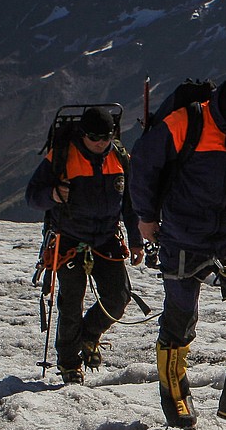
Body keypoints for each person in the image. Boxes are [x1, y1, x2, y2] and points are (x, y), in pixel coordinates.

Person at [130, 72, 226, 430]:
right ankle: (175, 397)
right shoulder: (186, 123)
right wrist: (146, 218)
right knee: (179, 321)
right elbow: (143, 166)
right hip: (183, 237)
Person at [26, 105, 143, 384]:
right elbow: (32, 196)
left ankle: (88, 336)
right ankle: (69, 362)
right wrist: (53, 194)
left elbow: (129, 203)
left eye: (106, 137)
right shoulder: (62, 157)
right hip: (69, 238)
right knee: (71, 304)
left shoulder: (118, 156)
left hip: (106, 238)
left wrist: (136, 240)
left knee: (118, 297)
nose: (101, 143)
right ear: (83, 135)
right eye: (95, 138)